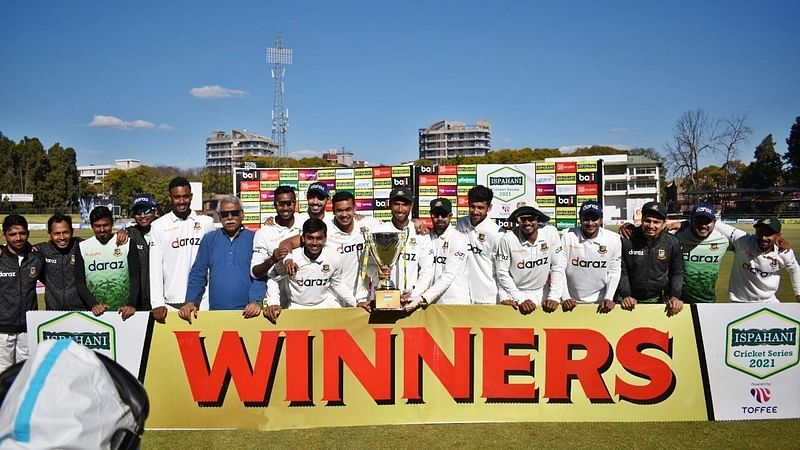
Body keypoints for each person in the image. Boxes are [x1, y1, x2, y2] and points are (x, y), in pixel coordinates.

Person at [179, 196, 266, 323]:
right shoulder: (209, 240)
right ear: (219, 217)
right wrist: (191, 301)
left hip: (249, 313)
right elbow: (198, 274)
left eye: (234, 213)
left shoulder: (255, 239)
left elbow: (259, 275)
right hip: (217, 314)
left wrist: (257, 301)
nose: (230, 217)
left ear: (242, 215)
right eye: (225, 214)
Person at [263, 218, 356, 322]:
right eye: (310, 238)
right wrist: (273, 303)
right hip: (296, 307)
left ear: (325, 238)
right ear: (303, 238)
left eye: (319, 238)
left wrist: (356, 303)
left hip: (324, 305)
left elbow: (337, 284)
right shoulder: (291, 258)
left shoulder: (334, 257)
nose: (314, 243)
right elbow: (273, 278)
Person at [149, 177, 215, 322]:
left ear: (191, 197)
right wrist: (157, 303)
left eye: (185, 196)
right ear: (170, 198)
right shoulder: (159, 226)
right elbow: (155, 267)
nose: (182, 201)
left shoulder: (206, 222)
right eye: (177, 197)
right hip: (172, 300)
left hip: (202, 299)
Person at [363, 187, 434, 312]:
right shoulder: (379, 231)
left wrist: (415, 295)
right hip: (381, 299)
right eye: (396, 204)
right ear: (390, 205)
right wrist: (378, 273)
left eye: (404, 204)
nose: (400, 209)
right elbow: (367, 265)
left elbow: (427, 269)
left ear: (411, 206)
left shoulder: (420, 232)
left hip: (409, 302)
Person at [495, 203, 566, 314]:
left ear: (538, 218)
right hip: (516, 293)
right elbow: (502, 272)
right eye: (523, 219)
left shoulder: (551, 233)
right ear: (517, 220)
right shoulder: (508, 239)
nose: (527, 223)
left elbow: (558, 267)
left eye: (531, 218)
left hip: (543, 293)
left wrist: (554, 296)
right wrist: (519, 298)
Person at [616, 201, 684, 315]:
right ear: (641, 220)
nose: (651, 226)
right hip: (627, 300)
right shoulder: (627, 240)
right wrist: (626, 295)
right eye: (647, 221)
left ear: (663, 223)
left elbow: (677, 273)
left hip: (655, 301)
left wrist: (675, 296)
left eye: (656, 222)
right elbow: (623, 271)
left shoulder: (672, 242)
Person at [75, 206, 140, 320]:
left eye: (106, 225)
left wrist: (131, 304)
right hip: (96, 312)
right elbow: (80, 282)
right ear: (91, 225)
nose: (102, 229)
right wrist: (93, 304)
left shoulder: (127, 243)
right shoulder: (82, 247)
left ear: (112, 224)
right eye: (97, 226)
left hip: (125, 312)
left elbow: (135, 277)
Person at [714, 217, 800, 303]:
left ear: (778, 235)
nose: (763, 237)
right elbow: (716, 224)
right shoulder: (743, 241)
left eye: (768, 234)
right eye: (760, 232)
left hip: (769, 302)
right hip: (739, 302)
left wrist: (798, 294)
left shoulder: (784, 253)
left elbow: (794, 270)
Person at [404, 198, 469, 310]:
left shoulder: (459, 238)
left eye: (443, 215)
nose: (439, 219)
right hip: (429, 303)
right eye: (436, 215)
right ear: (431, 215)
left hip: (454, 302)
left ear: (450, 216)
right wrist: (415, 221)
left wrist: (422, 297)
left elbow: (449, 275)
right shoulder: (425, 236)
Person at [0, 215, 43, 373]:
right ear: (4, 235)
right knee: (3, 376)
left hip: (27, 328)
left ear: (28, 233)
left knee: (25, 373)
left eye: (22, 233)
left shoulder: (36, 258)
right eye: (12, 234)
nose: (18, 238)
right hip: (2, 330)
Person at [560, 200, 621, 312]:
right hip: (571, 302)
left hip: (600, 303)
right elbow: (559, 269)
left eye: (594, 219)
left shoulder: (614, 239)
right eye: (586, 219)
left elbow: (614, 271)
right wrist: (565, 297)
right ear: (580, 218)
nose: (590, 223)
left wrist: (609, 297)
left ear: (601, 219)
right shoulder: (567, 236)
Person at [456, 185, 508, 304]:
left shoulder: (498, 233)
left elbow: (502, 269)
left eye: (480, 208)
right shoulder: (461, 223)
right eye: (472, 207)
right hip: (463, 294)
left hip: (488, 296)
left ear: (489, 208)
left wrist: (504, 295)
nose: (475, 212)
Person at [251, 185, 303, 280]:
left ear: (295, 204)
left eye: (289, 203)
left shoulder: (305, 221)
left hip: (304, 289)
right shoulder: (263, 233)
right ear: (275, 205)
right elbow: (254, 272)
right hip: (278, 291)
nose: (285, 208)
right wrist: (272, 260)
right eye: (281, 204)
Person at [35, 213, 84, 310]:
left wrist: (119, 234)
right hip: (53, 312)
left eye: (65, 232)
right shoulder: (42, 250)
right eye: (57, 233)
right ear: (50, 234)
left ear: (72, 232)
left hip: (81, 310)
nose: (62, 237)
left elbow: (102, 243)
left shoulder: (82, 246)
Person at [126, 193, 157, 311]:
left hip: (161, 300)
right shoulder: (129, 234)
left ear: (155, 211)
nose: (143, 215)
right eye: (138, 212)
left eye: (147, 210)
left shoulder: (164, 232)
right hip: (136, 301)